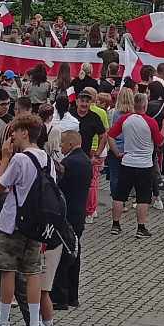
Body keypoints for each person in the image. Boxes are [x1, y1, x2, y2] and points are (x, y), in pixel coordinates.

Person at [0, 113, 51, 326]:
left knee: (8, 272)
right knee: (33, 273)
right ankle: (34, 325)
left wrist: (5, 157)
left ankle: (3, 322)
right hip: (35, 225)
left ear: (25, 132)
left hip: (12, 223)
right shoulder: (46, 159)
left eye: (14, 130)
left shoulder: (20, 159)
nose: (11, 135)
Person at [106, 90, 163, 236]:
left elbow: (110, 135)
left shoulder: (125, 119)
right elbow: (160, 141)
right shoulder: (151, 122)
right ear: (145, 105)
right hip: (144, 165)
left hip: (127, 162)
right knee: (143, 198)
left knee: (119, 196)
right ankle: (141, 228)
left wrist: (117, 152)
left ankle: (115, 225)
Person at [49, 126, 91, 310]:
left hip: (67, 214)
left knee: (63, 254)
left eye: (63, 143)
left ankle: (60, 296)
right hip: (79, 213)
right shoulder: (85, 161)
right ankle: (73, 296)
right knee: (75, 252)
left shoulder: (69, 163)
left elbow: (58, 186)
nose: (60, 147)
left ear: (72, 143)